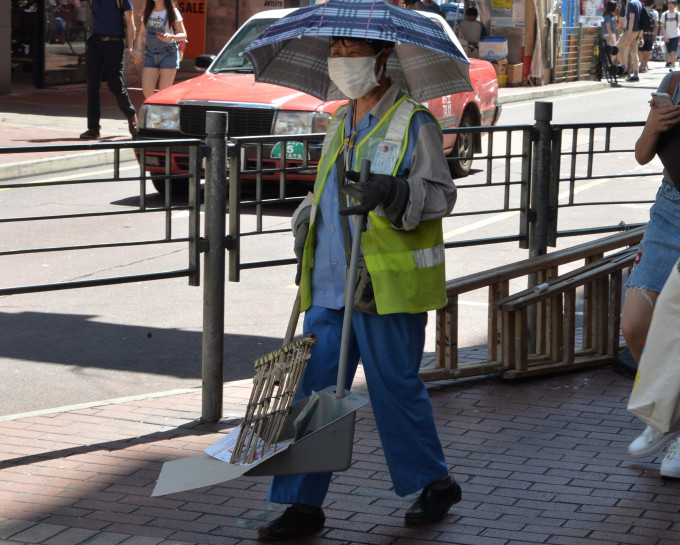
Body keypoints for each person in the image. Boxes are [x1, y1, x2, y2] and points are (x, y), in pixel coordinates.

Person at [257, 35, 459, 541]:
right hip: (327, 283)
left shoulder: (414, 122)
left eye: (352, 52)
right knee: (315, 392)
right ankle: (303, 505)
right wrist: (308, 218)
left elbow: (440, 195)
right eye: (337, 52)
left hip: (384, 288)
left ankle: (435, 482)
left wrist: (392, 191)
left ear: (382, 58)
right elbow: (324, 190)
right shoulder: (340, 121)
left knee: (394, 389)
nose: (341, 62)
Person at [624, 71, 680, 476]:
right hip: (669, 210)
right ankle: (669, 414)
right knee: (635, 323)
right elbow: (643, 153)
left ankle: (674, 427)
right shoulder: (674, 83)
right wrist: (654, 126)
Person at [79, 0, 139, 140]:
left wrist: (131, 48)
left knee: (115, 84)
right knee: (92, 85)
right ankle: (93, 128)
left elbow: (131, 23)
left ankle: (131, 115)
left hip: (115, 43)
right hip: (95, 43)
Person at [132, 0, 187, 99]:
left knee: (164, 92)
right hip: (151, 53)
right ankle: (155, 112)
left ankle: (164, 113)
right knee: (147, 91)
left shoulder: (173, 12)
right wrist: (139, 50)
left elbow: (183, 35)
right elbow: (142, 34)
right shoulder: (148, 12)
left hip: (169, 53)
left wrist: (171, 37)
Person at [616, 0, 643, 81]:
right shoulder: (639, 3)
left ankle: (623, 68)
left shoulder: (631, 3)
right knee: (634, 53)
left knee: (618, 48)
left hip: (631, 31)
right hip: (638, 31)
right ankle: (635, 74)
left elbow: (632, 19)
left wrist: (629, 34)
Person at [639, 0, 659, 72]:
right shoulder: (655, 13)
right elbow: (656, 26)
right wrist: (655, 36)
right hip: (650, 33)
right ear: (653, 4)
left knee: (640, 50)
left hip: (641, 33)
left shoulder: (641, 10)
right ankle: (644, 66)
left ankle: (641, 62)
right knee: (647, 51)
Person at [661, 0, 680, 68]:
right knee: (669, 52)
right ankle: (672, 64)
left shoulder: (678, 14)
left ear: (675, 5)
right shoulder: (664, 14)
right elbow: (662, 27)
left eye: (671, 4)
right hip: (667, 35)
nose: (670, 6)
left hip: (676, 35)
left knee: (673, 52)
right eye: (669, 4)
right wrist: (664, 36)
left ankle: (673, 66)